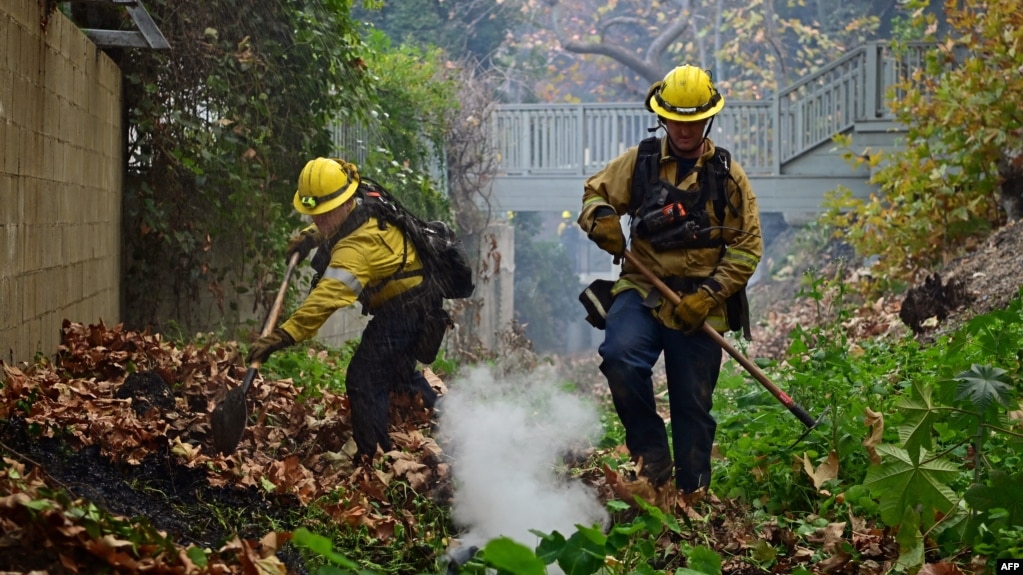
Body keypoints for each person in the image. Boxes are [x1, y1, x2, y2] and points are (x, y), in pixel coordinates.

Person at [577, 65, 762, 494]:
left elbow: (747, 247)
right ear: (662, 117)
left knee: (692, 406)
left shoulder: (728, 177)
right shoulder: (640, 162)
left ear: (708, 118)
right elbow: (596, 193)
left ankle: (692, 494)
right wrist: (601, 218)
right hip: (642, 288)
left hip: (700, 301)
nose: (684, 129)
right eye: (676, 119)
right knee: (620, 356)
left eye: (693, 120)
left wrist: (710, 294)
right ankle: (652, 463)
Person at [246, 157, 441, 463]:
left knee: (364, 376)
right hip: (414, 297)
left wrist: (282, 337)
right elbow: (332, 224)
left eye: (323, 214)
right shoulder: (355, 196)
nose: (318, 221)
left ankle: (372, 454)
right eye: (313, 215)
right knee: (400, 374)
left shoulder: (357, 250)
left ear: (344, 201)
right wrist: (310, 238)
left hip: (407, 308)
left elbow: (325, 299)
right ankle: (450, 420)